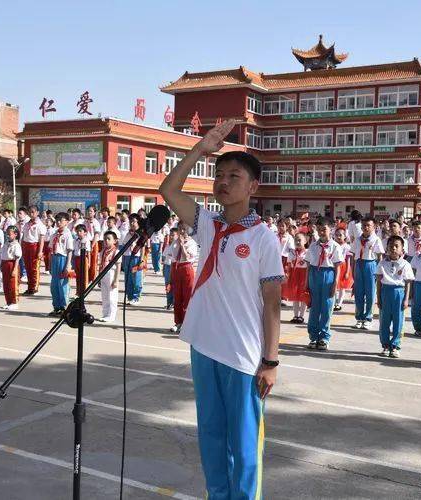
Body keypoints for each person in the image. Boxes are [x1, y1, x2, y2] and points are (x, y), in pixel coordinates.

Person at [159, 119, 282, 499]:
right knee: (211, 438)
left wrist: (271, 361)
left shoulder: (263, 238)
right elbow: (168, 190)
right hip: (203, 346)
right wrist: (199, 150)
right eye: (219, 174)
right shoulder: (207, 224)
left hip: (243, 355)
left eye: (234, 176)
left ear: (253, 187)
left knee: (244, 448)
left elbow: (273, 304)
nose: (223, 182)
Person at [305, 217, 343, 350]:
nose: (322, 232)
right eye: (320, 229)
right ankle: (313, 336)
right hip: (314, 274)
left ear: (330, 230)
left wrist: (335, 284)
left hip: (328, 275)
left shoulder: (335, 246)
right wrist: (306, 283)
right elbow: (309, 265)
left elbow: (338, 267)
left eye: (325, 229)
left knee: (326, 308)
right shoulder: (313, 246)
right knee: (314, 307)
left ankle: (324, 337)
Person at [376, 235, 414, 358]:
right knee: (384, 321)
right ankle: (385, 345)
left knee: (398, 321)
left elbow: (408, 282)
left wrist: (406, 299)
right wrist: (378, 297)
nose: (393, 248)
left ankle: (395, 345)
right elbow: (379, 281)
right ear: (386, 248)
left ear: (402, 249)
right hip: (385, 292)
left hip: (399, 292)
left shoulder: (405, 264)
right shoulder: (382, 263)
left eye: (396, 246)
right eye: (391, 246)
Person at [351, 216, 385, 330]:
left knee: (370, 293)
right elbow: (353, 255)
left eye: (368, 225)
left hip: (371, 265)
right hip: (359, 264)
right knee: (359, 293)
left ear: (373, 227)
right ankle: (359, 318)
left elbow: (380, 257)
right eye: (363, 225)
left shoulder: (376, 239)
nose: (365, 228)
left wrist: (379, 272)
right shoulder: (357, 239)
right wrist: (352, 270)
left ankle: (368, 318)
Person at [169, 224, 198, 333]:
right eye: (180, 229)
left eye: (184, 229)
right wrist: (171, 278)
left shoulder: (192, 242)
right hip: (177, 268)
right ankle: (178, 322)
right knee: (177, 298)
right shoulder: (175, 242)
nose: (182, 231)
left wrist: (182, 245)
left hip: (186, 268)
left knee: (187, 298)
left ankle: (187, 323)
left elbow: (187, 257)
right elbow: (172, 258)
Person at [49, 215, 72, 317]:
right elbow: (50, 250)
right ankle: (56, 307)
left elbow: (69, 251)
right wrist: (50, 264)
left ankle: (64, 308)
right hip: (54, 258)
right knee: (54, 285)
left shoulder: (67, 235)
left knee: (62, 284)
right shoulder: (54, 234)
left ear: (66, 222)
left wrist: (67, 266)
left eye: (61, 221)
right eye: (57, 220)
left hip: (63, 259)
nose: (58, 223)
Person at [21, 205, 47, 295]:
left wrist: (40, 251)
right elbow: (23, 236)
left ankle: (34, 287)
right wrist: (22, 247)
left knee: (34, 268)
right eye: (30, 212)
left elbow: (42, 238)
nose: (31, 214)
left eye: (33, 212)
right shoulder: (27, 223)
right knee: (28, 267)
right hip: (26, 245)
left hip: (34, 246)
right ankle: (30, 286)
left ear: (37, 213)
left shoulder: (40, 224)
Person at [97, 230, 122, 323]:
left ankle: (111, 315)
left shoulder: (116, 251)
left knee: (112, 296)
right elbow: (100, 264)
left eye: (109, 239)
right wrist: (99, 278)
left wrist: (116, 280)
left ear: (115, 241)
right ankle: (105, 314)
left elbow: (118, 266)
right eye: (105, 239)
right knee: (105, 296)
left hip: (112, 274)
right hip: (103, 274)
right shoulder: (103, 251)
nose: (106, 241)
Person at [122, 214, 146, 305]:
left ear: (138, 222)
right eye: (130, 221)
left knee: (136, 278)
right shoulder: (128, 233)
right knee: (128, 279)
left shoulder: (141, 234)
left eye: (134, 221)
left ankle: (136, 297)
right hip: (127, 257)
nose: (132, 223)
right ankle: (130, 297)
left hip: (136, 258)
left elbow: (143, 248)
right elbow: (124, 247)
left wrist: (142, 259)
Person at [286, 232, 309, 323]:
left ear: (305, 241)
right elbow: (288, 264)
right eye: (296, 240)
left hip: (304, 275)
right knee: (295, 296)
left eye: (300, 240)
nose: (297, 242)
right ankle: (295, 315)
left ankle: (301, 316)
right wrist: (288, 274)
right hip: (294, 275)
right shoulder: (292, 252)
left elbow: (309, 265)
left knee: (303, 296)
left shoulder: (307, 252)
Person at [0, 226, 22, 311]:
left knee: (13, 284)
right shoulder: (6, 243)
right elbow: (3, 255)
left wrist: (15, 269)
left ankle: (14, 302)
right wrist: (1, 264)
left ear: (15, 234)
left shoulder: (16, 245)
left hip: (12, 264)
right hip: (5, 264)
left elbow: (17, 258)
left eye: (9, 234)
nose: (8, 236)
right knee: (6, 284)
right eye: (6, 234)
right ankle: (8, 301)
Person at [333, 228, 353, 312]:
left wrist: (347, 271)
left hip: (343, 267)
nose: (338, 237)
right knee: (334, 285)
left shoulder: (347, 247)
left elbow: (348, 260)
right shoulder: (333, 245)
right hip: (334, 266)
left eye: (340, 235)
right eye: (336, 235)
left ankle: (339, 303)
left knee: (342, 287)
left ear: (345, 236)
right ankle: (333, 302)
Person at [161, 227, 178, 311]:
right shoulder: (168, 245)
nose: (171, 237)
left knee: (174, 285)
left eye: (173, 235)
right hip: (167, 266)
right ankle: (169, 302)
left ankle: (174, 303)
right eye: (170, 235)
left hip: (174, 266)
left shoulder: (178, 245)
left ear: (177, 235)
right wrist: (163, 267)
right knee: (167, 284)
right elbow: (164, 256)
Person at [73, 223, 91, 296]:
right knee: (78, 276)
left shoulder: (86, 240)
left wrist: (89, 262)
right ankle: (78, 291)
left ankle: (84, 292)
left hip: (84, 258)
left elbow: (88, 252)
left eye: (80, 231)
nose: (78, 233)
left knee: (84, 276)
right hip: (77, 258)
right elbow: (74, 250)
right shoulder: (75, 240)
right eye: (77, 231)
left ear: (85, 232)